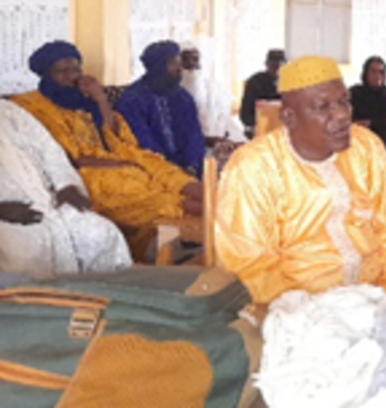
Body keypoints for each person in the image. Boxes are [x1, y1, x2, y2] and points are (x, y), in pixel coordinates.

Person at [216, 55, 386, 305]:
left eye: (344, 101)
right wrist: (306, 315)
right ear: (289, 117)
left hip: (377, 296)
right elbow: (249, 263)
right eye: (323, 107)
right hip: (299, 308)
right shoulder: (253, 167)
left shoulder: (366, 147)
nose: (342, 115)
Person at [12, 41, 203, 261]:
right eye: (61, 71)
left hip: (120, 155)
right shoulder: (31, 107)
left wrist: (100, 98)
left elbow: (115, 136)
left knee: (163, 169)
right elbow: (66, 158)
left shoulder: (83, 98)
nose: (71, 76)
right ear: (46, 74)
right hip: (84, 172)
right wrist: (122, 164)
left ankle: (218, 208)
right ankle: (206, 222)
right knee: (135, 186)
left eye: (75, 69)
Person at [0, 99, 132, 279]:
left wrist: (66, 184)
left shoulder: (9, 111)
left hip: (48, 204)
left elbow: (48, 149)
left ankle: (104, 296)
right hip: (6, 221)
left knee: (101, 233)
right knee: (22, 253)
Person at [115, 40, 205, 176]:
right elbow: (143, 143)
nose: (179, 68)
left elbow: (193, 135)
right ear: (158, 67)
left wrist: (192, 165)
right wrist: (172, 170)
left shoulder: (183, 97)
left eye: (179, 62)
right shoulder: (132, 100)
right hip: (151, 169)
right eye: (173, 63)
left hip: (189, 169)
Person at [180, 40, 246, 144]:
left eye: (195, 59)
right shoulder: (168, 92)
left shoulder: (214, 89)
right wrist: (208, 140)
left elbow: (226, 122)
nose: (191, 63)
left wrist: (232, 140)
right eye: (185, 59)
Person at [349, 56, 386, 164]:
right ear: (365, 74)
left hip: (379, 142)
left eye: (381, 72)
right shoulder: (355, 93)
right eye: (373, 72)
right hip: (355, 137)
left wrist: (369, 123)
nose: (377, 76)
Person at [240, 49, 287, 138]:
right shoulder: (255, 83)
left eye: (280, 67)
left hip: (284, 131)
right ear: (267, 65)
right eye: (273, 66)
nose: (277, 70)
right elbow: (245, 115)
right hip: (260, 131)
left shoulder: (291, 83)